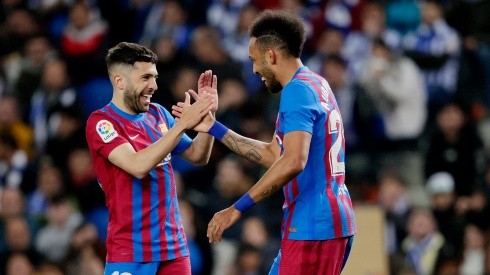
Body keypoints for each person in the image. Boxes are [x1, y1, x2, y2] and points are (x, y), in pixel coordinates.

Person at [173, 10, 356, 274]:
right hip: (321, 220)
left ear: (271, 55)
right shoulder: (315, 84)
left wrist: (237, 209)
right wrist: (214, 127)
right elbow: (274, 155)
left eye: (254, 60)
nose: (254, 69)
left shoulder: (297, 90)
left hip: (315, 224)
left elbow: (293, 161)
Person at [85, 42, 216, 275]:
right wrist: (183, 125)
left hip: (173, 249)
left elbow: (198, 155)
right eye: (145, 78)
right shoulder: (102, 123)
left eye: (155, 77)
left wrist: (208, 119)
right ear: (119, 81)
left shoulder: (158, 114)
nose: (154, 86)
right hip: (131, 251)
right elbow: (137, 165)